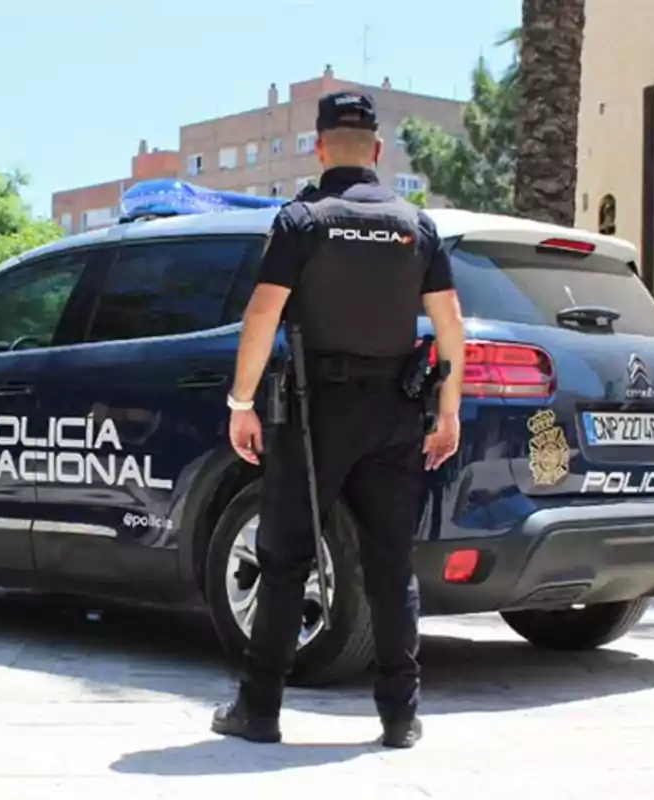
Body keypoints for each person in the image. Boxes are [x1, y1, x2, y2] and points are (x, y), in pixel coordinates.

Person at [211, 90, 465, 749]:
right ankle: (400, 718)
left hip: (314, 408)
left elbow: (262, 317)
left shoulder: (303, 221)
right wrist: (448, 411)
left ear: (320, 147)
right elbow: (450, 328)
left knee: (286, 555)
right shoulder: (417, 225)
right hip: (395, 413)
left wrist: (241, 403)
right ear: (378, 151)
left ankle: (259, 709)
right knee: (389, 564)